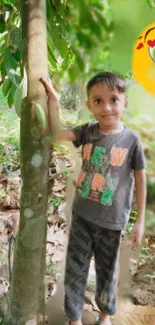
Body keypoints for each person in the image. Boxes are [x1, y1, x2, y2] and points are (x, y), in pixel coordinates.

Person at [41, 72, 146, 325]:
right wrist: (53, 101)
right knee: (75, 270)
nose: (107, 107)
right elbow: (56, 135)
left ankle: (105, 316)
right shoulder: (87, 132)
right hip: (82, 217)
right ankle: (74, 318)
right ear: (89, 105)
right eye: (98, 101)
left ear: (124, 103)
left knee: (107, 273)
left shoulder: (132, 141)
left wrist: (139, 220)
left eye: (113, 99)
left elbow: (140, 181)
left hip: (112, 223)